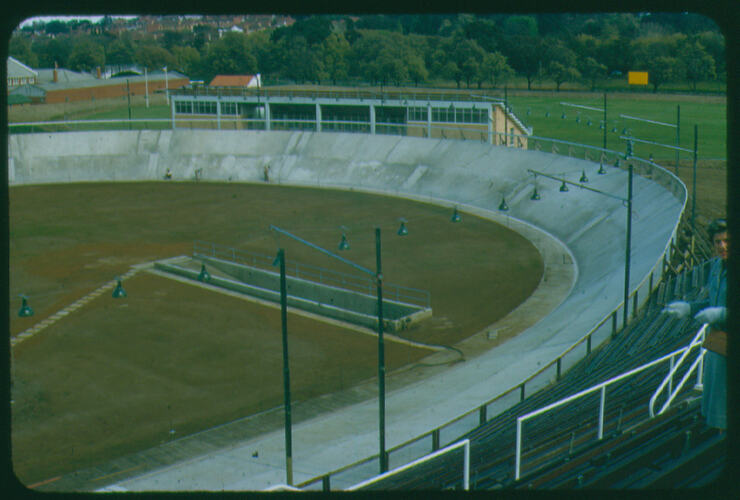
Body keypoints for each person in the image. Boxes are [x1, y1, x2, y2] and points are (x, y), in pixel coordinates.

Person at [664, 218, 728, 430]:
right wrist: (690, 308)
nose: (722, 246)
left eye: (727, 241)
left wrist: (721, 314)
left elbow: (718, 309)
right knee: (714, 397)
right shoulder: (718, 267)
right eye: (717, 242)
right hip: (719, 344)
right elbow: (711, 303)